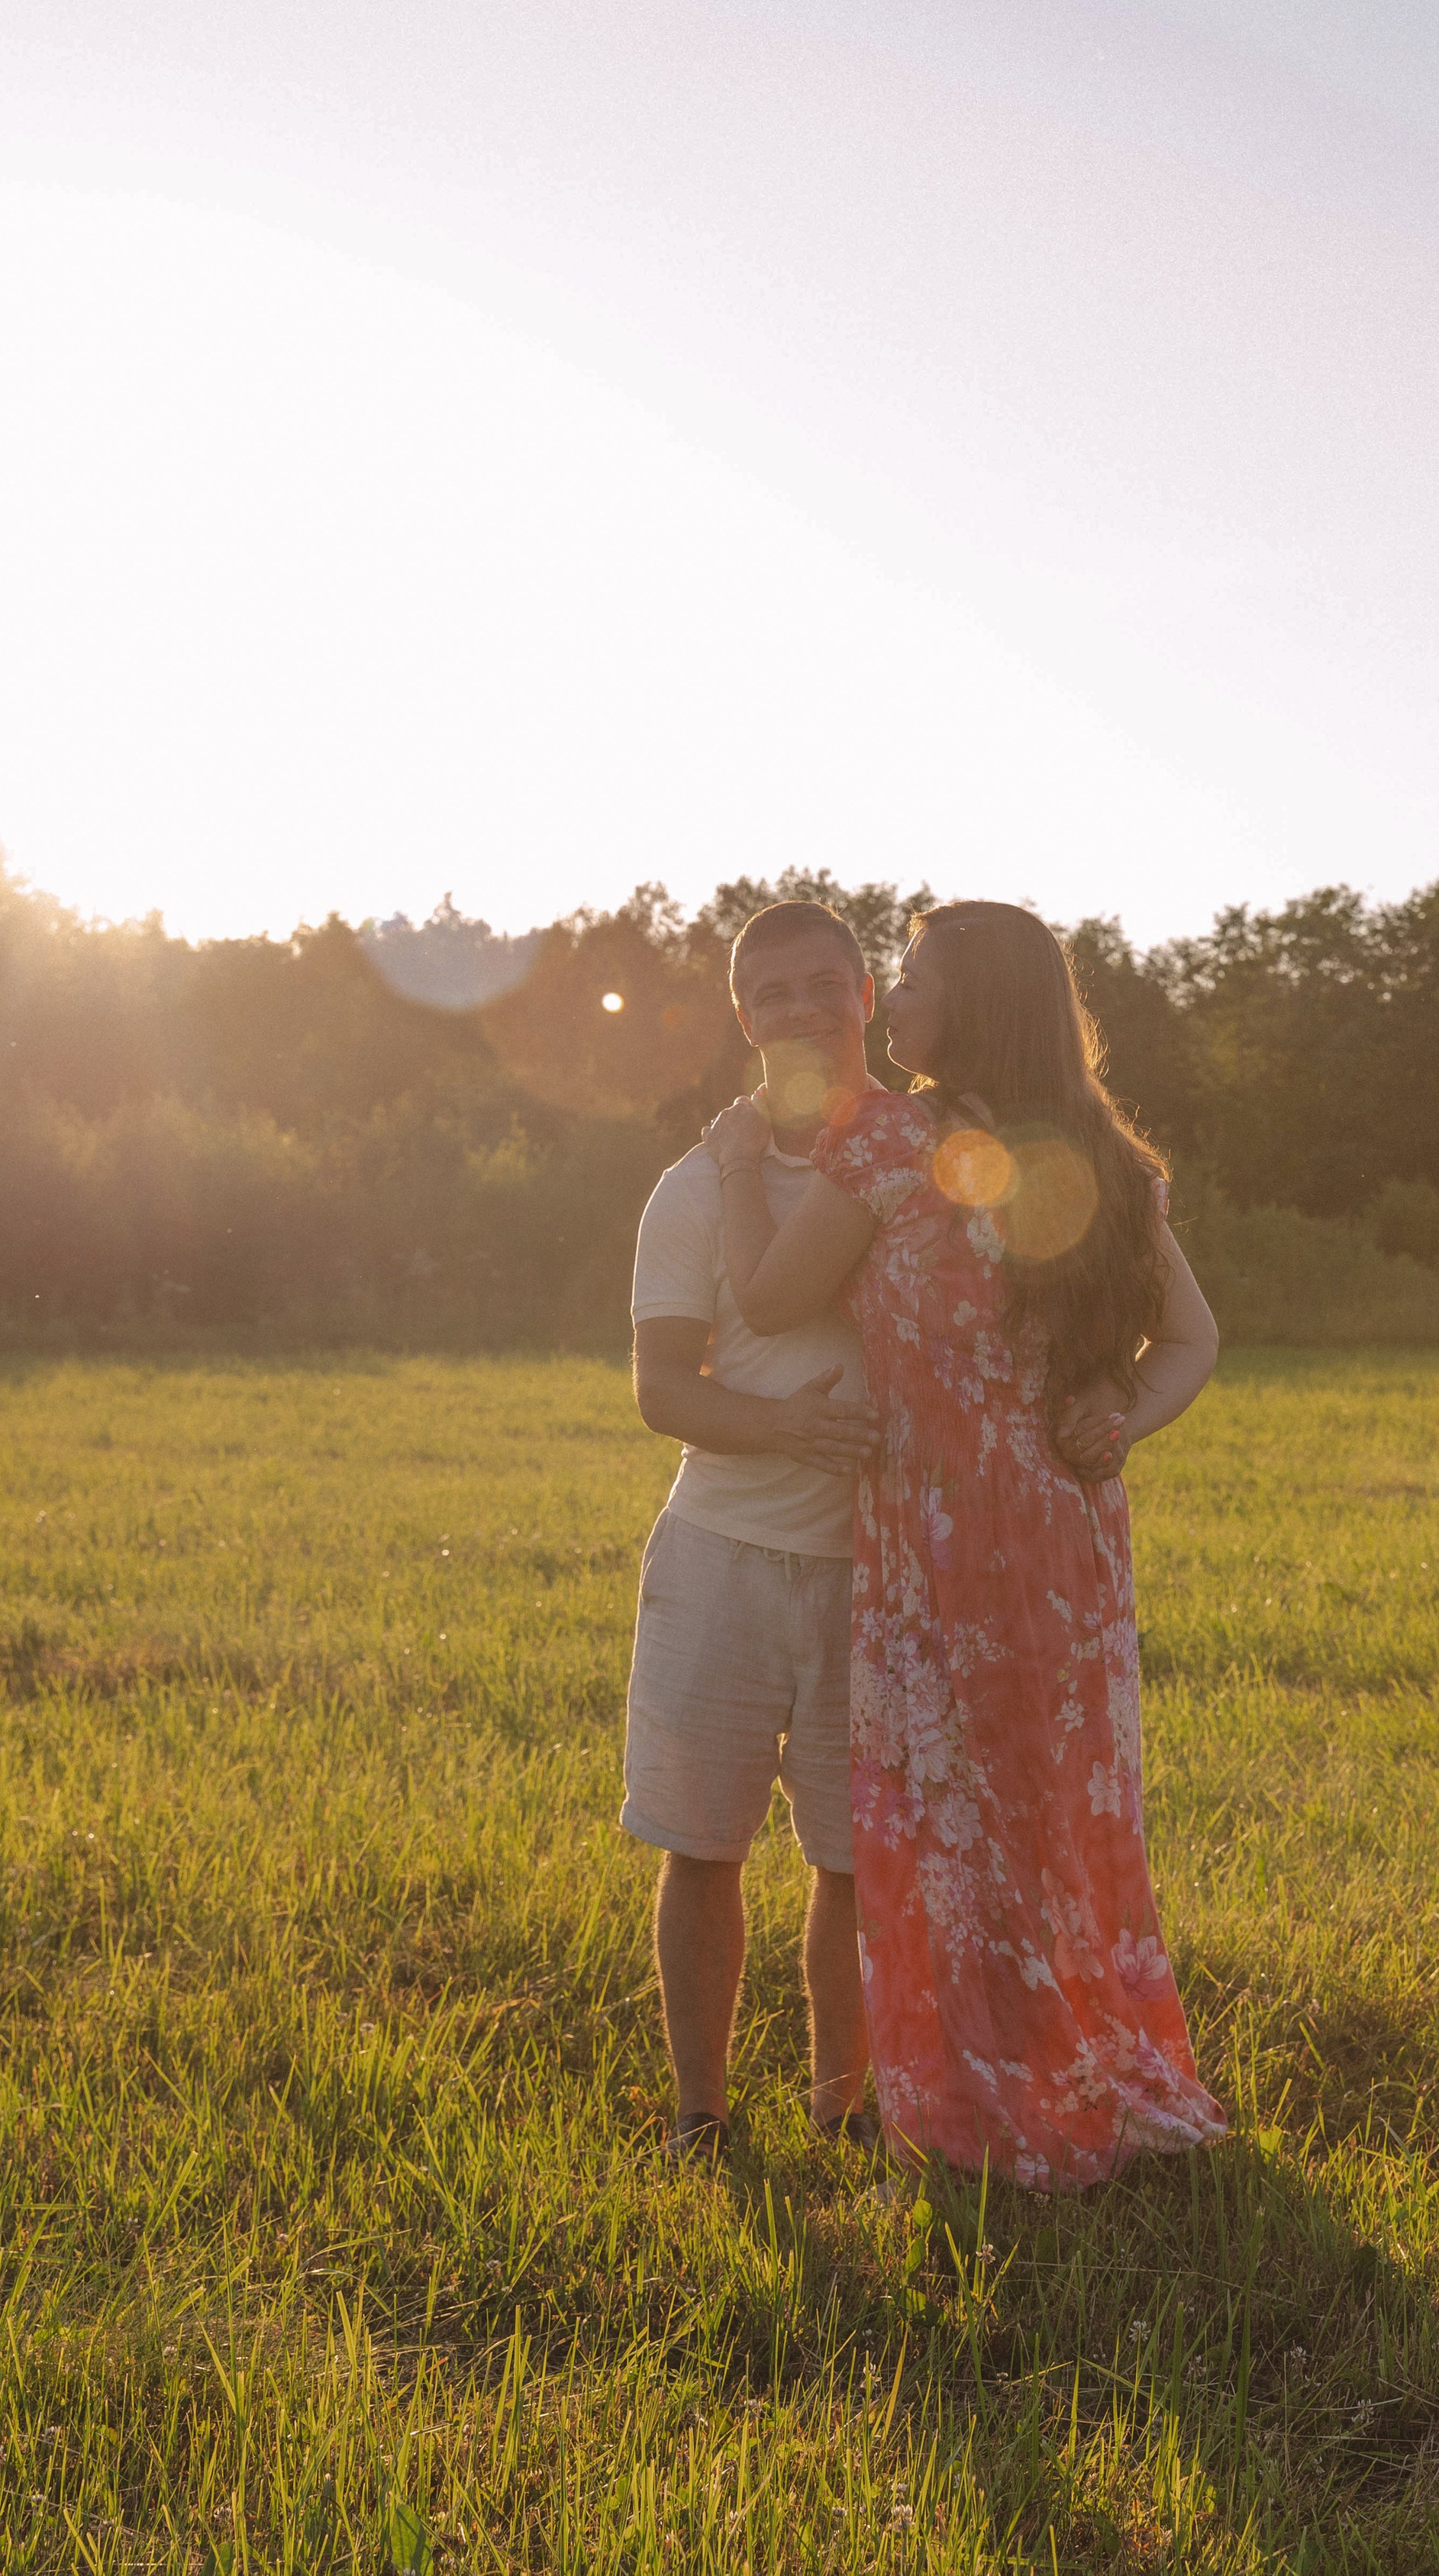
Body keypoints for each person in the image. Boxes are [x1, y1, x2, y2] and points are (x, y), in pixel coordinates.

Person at [704, 899, 1228, 2191]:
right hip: (1061, 1540)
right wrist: (1125, 1416)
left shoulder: (897, 1143)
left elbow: (768, 1296)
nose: (902, 993)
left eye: (922, 977)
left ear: (978, 1003)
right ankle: (1060, 2063)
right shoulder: (1103, 1156)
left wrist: (728, 1170)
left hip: (942, 1545)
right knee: (1051, 1817)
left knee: (953, 1819)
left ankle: (986, 2088)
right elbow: (1195, 1343)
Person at [624, 898, 886, 2165]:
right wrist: (787, 1432)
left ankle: (846, 2103)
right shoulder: (689, 1188)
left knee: (851, 1860)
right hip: (719, 1558)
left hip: (875, 1573)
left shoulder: (912, 1167)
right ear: (744, 1017)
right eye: (771, 992)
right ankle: (700, 2115)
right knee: (703, 1843)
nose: (798, 1008)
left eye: (820, 985)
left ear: (866, 998)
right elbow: (662, 1391)